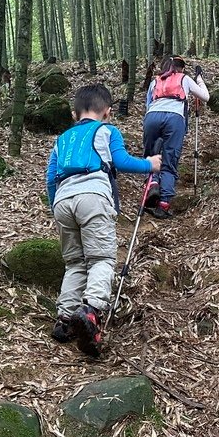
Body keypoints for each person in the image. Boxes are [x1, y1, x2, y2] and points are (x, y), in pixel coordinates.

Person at [45, 83, 162, 357]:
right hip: (94, 196)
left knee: (75, 262)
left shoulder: (62, 140)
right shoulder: (106, 131)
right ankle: (91, 311)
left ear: (75, 115)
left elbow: (50, 178)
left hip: (63, 199)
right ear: (108, 112)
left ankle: (65, 320)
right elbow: (120, 161)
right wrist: (150, 165)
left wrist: (56, 208)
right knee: (101, 259)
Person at [143, 55, 209, 218]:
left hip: (151, 117)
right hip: (174, 119)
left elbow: (148, 104)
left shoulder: (155, 81)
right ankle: (163, 205)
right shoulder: (184, 79)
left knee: (151, 156)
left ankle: (153, 183)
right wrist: (199, 80)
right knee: (170, 159)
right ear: (182, 68)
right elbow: (205, 97)